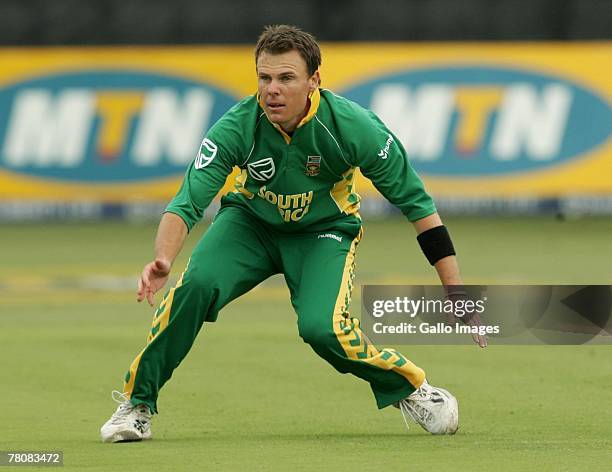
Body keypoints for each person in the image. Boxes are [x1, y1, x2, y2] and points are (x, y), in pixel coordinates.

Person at [100, 24, 486, 443]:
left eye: (286, 78)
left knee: (323, 330)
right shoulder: (237, 126)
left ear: (314, 80)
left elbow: (418, 206)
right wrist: (163, 259)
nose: (272, 90)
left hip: (323, 231)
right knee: (194, 288)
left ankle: (414, 390)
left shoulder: (354, 127)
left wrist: (455, 289)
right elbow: (187, 202)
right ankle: (137, 405)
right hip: (250, 225)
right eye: (264, 78)